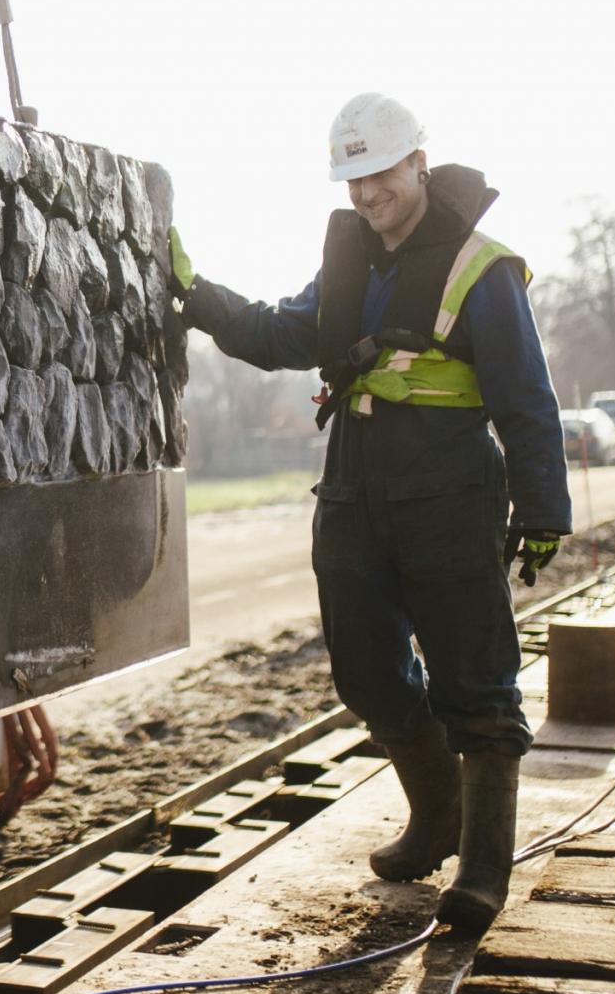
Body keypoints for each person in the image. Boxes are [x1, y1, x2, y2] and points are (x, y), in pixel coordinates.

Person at [168, 93, 570, 930]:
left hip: (450, 496)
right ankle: (437, 817)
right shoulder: (352, 264)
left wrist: (541, 507)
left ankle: (484, 870)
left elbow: (527, 400)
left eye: (381, 172)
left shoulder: (481, 268)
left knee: (478, 680)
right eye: (353, 177)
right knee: (366, 671)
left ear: (419, 161)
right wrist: (196, 294)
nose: (367, 193)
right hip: (354, 493)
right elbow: (284, 335)